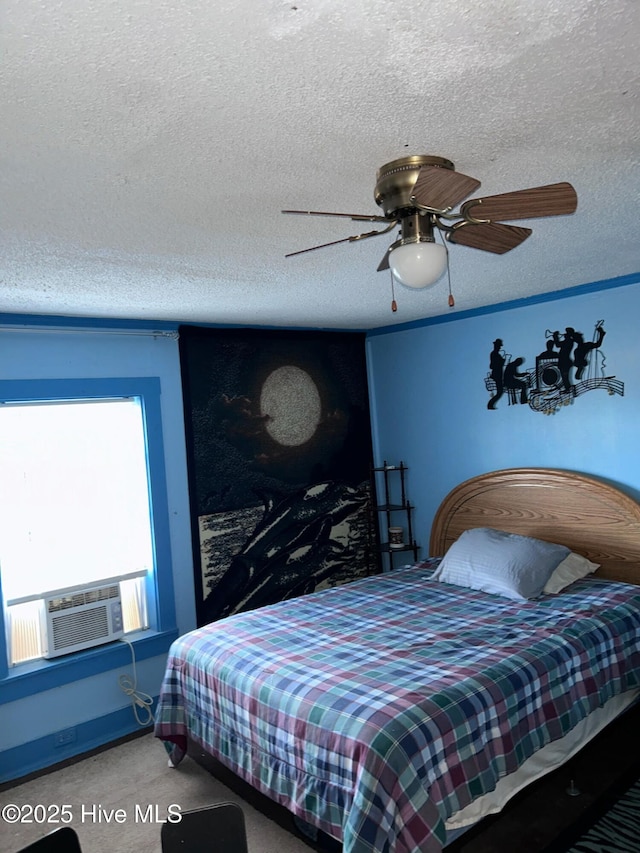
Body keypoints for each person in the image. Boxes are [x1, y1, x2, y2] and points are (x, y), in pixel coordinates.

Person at [487, 339, 505, 409]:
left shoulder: (497, 354)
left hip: (499, 375)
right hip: (497, 376)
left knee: (500, 392)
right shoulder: (494, 354)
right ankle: (490, 405)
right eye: (499, 346)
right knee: (500, 392)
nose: (500, 348)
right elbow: (491, 366)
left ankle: (490, 405)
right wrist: (500, 363)